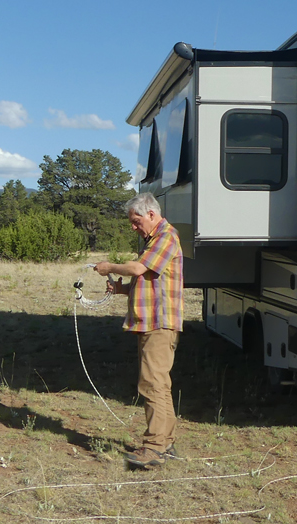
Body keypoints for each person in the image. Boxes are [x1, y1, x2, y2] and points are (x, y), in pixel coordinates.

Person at [89, 193, 184, 470]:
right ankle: (165, 443)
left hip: (158, 323)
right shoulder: (155, 240)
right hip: (152, 322)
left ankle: (154, 448)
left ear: (151, 215)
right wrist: (121, 289)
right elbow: (151, 281)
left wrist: (109, 267)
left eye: (136, 220)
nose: (133, 226)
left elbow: (138, 268)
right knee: (160, 385)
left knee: (152, 384)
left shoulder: (166, 236)